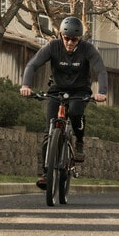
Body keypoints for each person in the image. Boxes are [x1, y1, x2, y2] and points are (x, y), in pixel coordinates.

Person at [19, 16, 108, 189]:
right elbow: (32, 65)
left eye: (73, 39)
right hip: (57, 90)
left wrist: (102, 92)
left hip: (80, 91)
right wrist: (26, 85)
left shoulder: (88, 49)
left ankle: (79, 141)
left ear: (79, 38)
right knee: (49, 131)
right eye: (66, 38)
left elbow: (101, 70)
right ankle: (46, 173)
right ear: (61, 35)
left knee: (75, 113)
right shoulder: (53, 46)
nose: (69, 42)